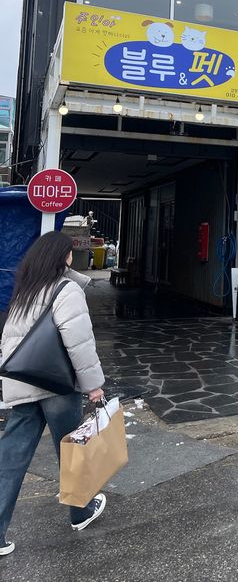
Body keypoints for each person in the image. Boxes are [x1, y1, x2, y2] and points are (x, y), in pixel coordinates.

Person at [0, 231, 107, 557]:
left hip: (23, 381)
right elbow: (78, 341)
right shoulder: (66, 289)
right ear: (65, 257)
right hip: (57, 384)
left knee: (12, 456)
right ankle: (80, 512)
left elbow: (9, 338)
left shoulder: (26, 288)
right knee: (72, 450)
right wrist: (93, 385)